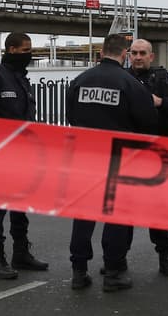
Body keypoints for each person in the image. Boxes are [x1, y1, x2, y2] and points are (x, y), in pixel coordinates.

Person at [66, 33, 158, 291]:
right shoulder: (129, 84)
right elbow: (148, 122)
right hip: (120, 159)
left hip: (85, 158)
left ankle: (79, 270)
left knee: (83, 215)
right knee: (117, 214)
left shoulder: (79, 81)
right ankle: (114, 271)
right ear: (125, 54)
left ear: (100, 53)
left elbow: (71, 116)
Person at [0, 31, 49, 279]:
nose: (29, 55)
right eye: (26, 50)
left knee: (20, 205)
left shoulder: (22, 79)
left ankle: (21, 252)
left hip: (23, 156)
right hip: (1, 156)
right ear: (12, 50)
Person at [127, 38, 168, 277]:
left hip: (159, 155)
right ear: (128, 55)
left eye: (143, 53)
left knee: (159, 209)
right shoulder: (123, 79)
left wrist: (160, 102)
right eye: (134, 53)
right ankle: (116, 259)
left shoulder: (162, 79)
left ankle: (165, 255)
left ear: (151, 56)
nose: (138, 57)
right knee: (124, 209)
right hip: (131, 154)